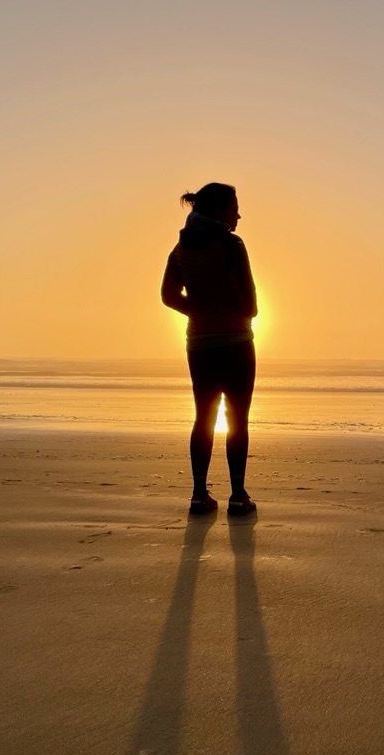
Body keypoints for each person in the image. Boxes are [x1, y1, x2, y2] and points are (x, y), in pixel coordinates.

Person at [161, 182, 258, 516]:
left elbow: (169, 296)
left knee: (203, 417)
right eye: (234, 208)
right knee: (237, 418)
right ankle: (238, 495)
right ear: (219, 211)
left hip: (199, 345)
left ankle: (199, 495)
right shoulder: (232, 245)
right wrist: (223, 310)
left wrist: (199, 310)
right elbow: (250, 306)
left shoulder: (180, 250)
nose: (239, 215)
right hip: (235, 343)